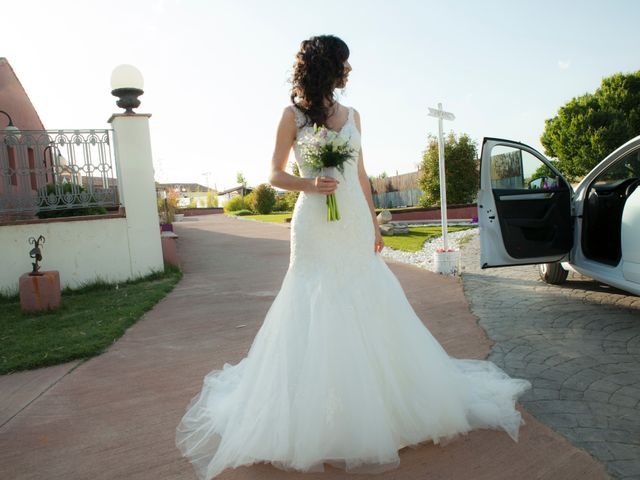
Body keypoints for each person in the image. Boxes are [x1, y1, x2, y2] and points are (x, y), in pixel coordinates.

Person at [175, 35, 531, 480]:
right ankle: (314, 416)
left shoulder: (354, 115)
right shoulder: (292, 115)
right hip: (313, 224)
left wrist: (375, 223)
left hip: (353, 224)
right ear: (329, 66)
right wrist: (309, 185)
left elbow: (360, 173)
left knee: (367, 297)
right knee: (312, 301)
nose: (349, 70)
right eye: (344, 62)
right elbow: (273, 173)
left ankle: (382, 405)